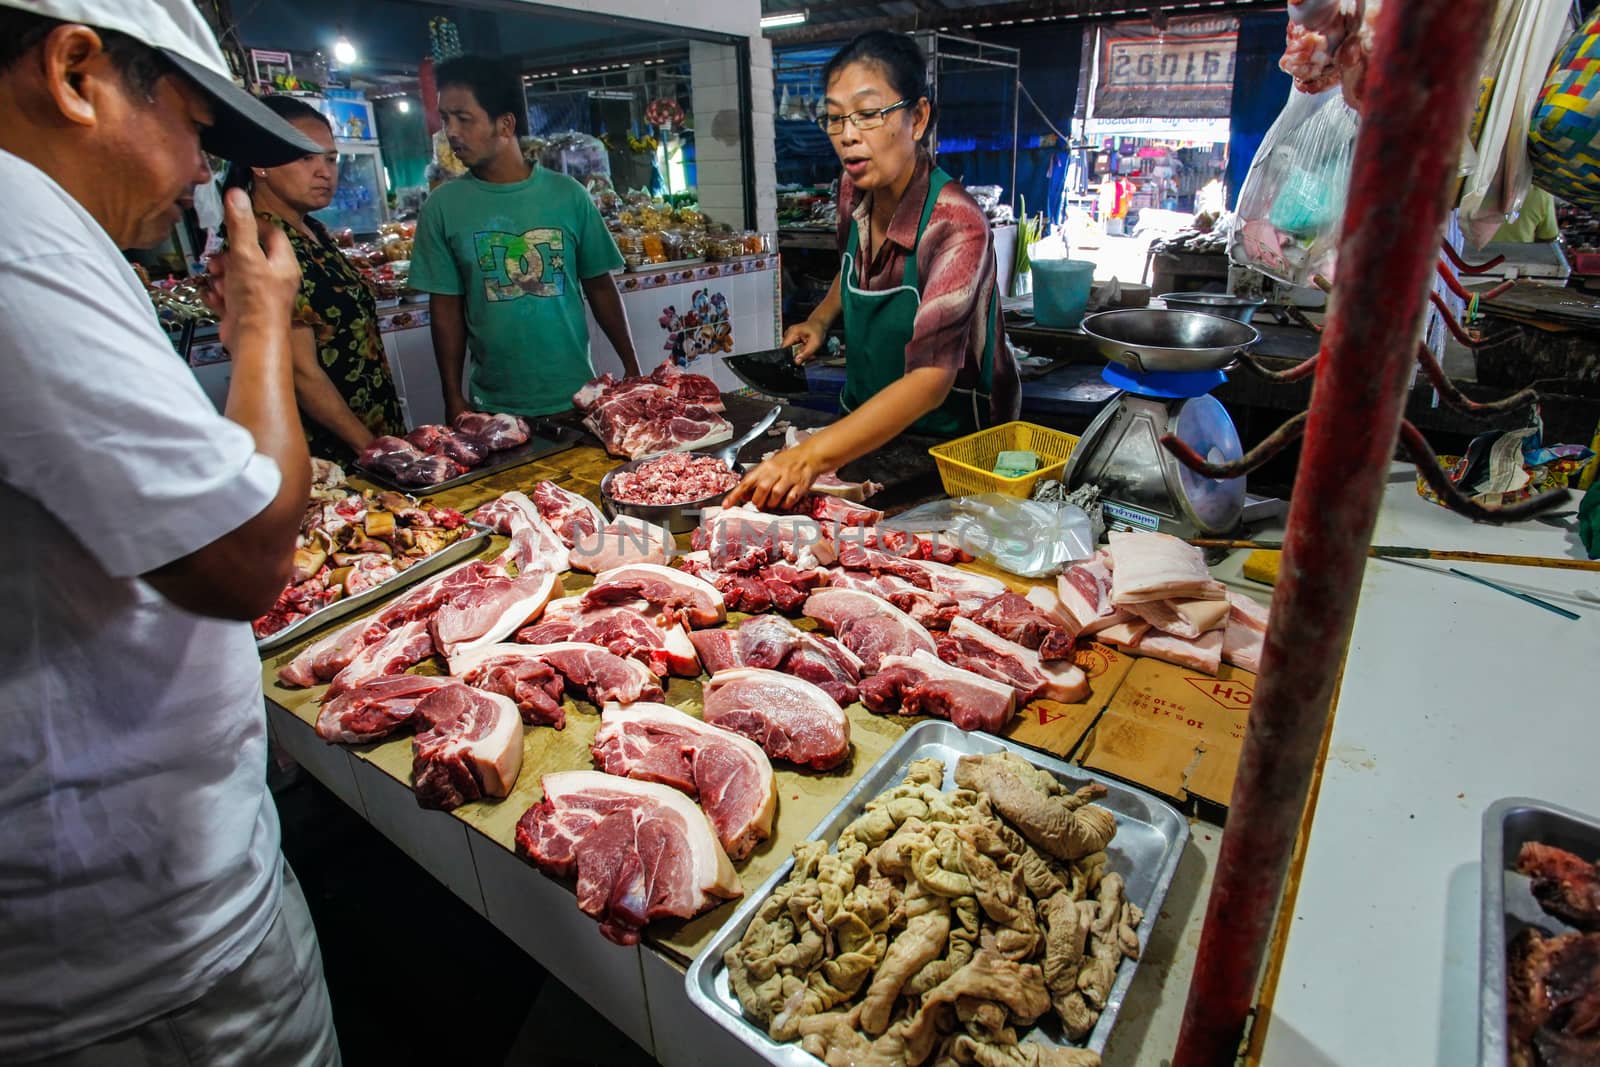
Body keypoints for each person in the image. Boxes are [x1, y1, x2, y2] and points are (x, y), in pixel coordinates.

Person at [0, 2, 340, 1063]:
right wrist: (259, 327)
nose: (204, 171)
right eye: (197, 128)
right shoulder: (18, 231)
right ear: (74, 70)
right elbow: (243, 555)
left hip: (117, 916)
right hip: (130, 958)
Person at [727, 31, 1020, 511]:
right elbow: (853, 273)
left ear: (917, 117)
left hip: (951, 449)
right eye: (836, 117)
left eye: (867, 114)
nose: (847, 134)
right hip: (865, 430)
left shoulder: (956, 224)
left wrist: (808, 456)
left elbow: (930, 379)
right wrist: (820, 319)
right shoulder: (852, 189)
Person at [409, 55, 638, 422]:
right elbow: (445, 309)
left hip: (576, 398)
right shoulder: (443, 207)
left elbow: (600, 286)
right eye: (446, 118)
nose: (450, 132)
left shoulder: (569, 196)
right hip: (492, 409)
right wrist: (452, 397)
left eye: (463, 119)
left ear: (505, 124)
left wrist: (632, 366)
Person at [224, 94, 405, 461]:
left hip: (370, 434)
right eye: (305, 156)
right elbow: (301, 372)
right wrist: (371, 450)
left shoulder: (313, 232)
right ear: (260, 163)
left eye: (330, 158)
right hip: (327, 450)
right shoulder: (259, 243)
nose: (324, 171)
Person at [1492, 185, 1560, 245]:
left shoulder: (1485, 181)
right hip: (1520, 256)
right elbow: (1548, 236)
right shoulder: (1542, 194)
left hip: (1484, 254)